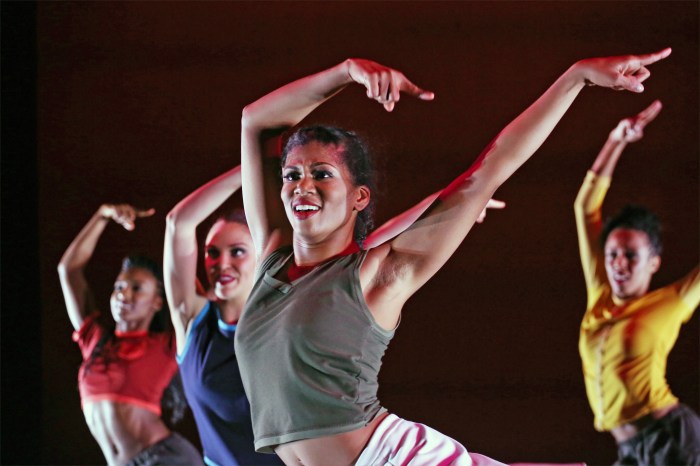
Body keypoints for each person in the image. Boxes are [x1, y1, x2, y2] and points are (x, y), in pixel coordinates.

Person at [237, 50, 671, 466]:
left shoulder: (377, 273)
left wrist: (575, 77)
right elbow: (256, 122)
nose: (302, 185)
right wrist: (346, 71)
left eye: (322, 174)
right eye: (292, 174)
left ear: (358, 198)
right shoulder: (271, 260)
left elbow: (491, 168)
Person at [574, 101, 700, 465]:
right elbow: (585, 209)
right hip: (628, 450)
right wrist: (617, 140)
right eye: (612, 254)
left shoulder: (672, 302)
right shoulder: (600, 294)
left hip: (670, 439)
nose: (618, 264)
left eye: (631, 255)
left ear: (653, 263)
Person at [57, 204, 203, 466]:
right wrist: (101, 215)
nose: (124, 295)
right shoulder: (95, 341)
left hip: (163, 459)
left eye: (137, 288)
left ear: (157, 301)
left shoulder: (168, 345)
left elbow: (199, 304)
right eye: (120, 287)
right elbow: (68, 270)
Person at [164, 166, 285, 466]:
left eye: (237, 251)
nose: (222, 263)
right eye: (212, 253)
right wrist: (253, 163)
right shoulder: (193, 321)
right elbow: (178, 222)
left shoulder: (282, 321)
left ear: (260, 256)